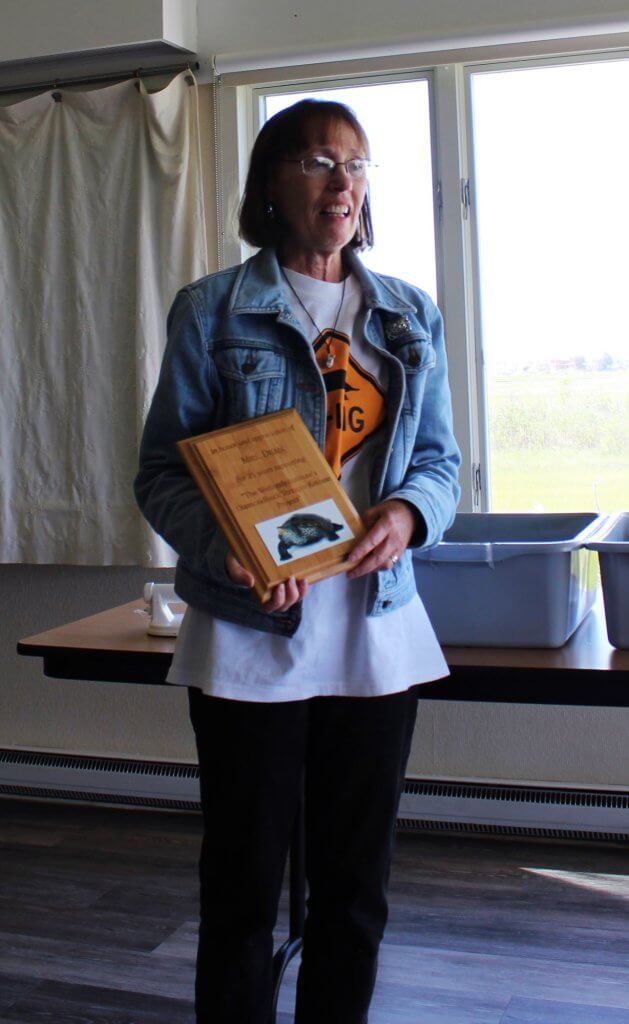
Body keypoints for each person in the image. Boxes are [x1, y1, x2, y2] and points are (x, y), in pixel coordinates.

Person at [135, 98, 460, 1024]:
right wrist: (224, 546)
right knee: (241, 890)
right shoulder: (212, 309)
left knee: (354, 893)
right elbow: (161, 472)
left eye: (356, 165)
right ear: (272, 183)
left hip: (376, 632)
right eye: (319, 161)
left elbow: (439, 460)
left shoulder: (406, 315)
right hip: (250, 634)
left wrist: (405, 512)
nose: (343, 182)